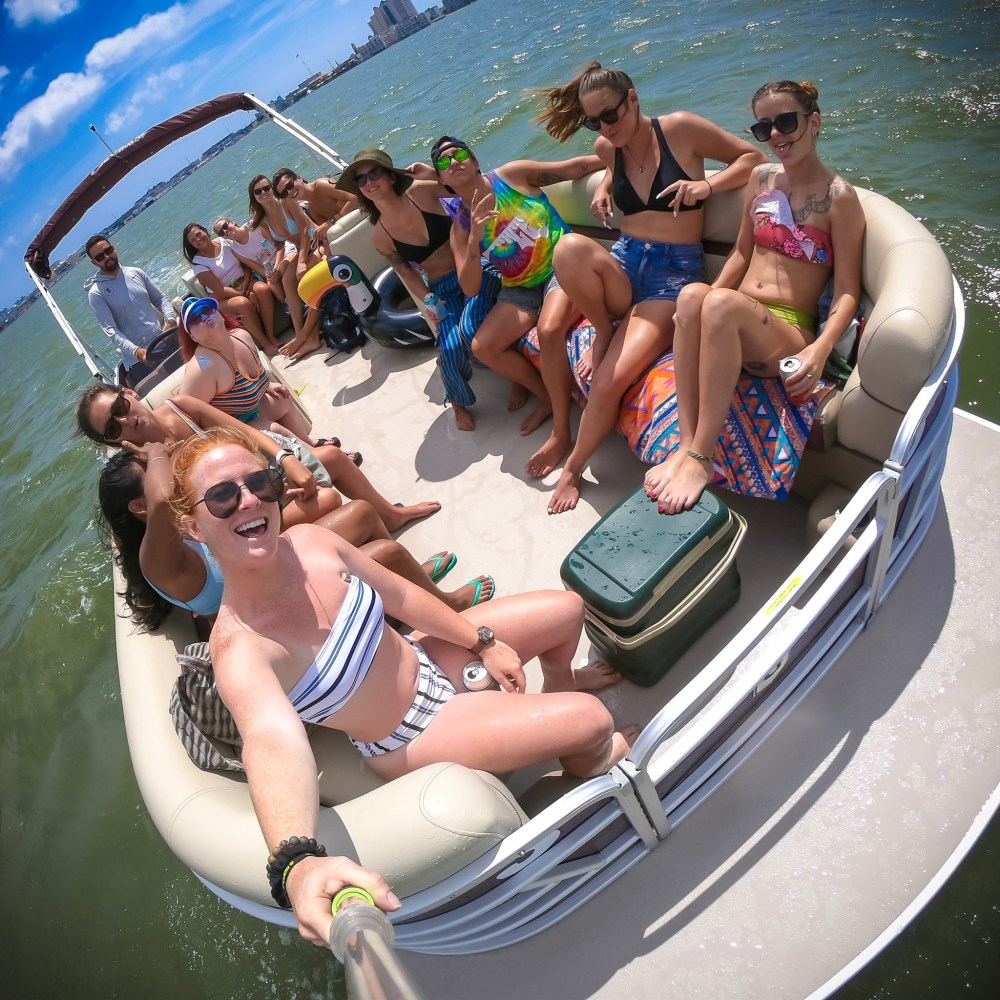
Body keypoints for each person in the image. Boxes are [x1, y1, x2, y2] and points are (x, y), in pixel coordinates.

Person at [167, 426, 637, 938]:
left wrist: (482, 642)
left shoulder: (310, 542)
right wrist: (296, 862)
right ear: (193, 524)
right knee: (593, 722)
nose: (249, 500)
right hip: (415, 730)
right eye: (221, 496)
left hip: (430, 659)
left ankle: (561, 683)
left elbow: (403, 599)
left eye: (259, 480)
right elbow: (270, 741)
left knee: (568, 611)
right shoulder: (241, 648)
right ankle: (586, 764)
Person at [533, 62, 766, 513]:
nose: (605, 127)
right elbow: (616, 160)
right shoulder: (609, 146)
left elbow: (752, 158)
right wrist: (604, 186)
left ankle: (572, 469)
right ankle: (603, 327)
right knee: (569, 250)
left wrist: (706, 186)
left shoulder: (680, 129)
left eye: (611, 115)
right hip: (625, 263)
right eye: (593, 121)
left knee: (607, 383)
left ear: (634, 99)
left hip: (670, 278)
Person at [644, 79, 864, 514]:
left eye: (786, 121)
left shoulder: (839, 198)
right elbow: (743, 252)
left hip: (785, 332)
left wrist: (819, 351)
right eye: (764, 128)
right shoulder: (761, 178)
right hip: (735, 320)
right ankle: (687, 444)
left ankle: (701, 460)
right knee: (692, 295)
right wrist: (704, 304)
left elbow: (848, 292)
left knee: (718, 302)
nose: (777, 135)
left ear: (814, 122)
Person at [96, 442, 488, 633]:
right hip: (270, 610)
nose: (161, 472)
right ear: (139, 507)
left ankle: (400, 592)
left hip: (272, 569)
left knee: (363, 515)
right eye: (150, 473)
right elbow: (165, 496)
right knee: (384, 553)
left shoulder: (182, 525)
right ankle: (447, 605)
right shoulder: (158, 561)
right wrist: (156, 452)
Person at [75, 384, 448, 540]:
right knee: (330, 500)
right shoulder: (149, 470)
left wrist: (286, 460)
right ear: (112, 442)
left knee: (331, 457)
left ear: (129, 393)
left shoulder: (182, 407)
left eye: (121, 407)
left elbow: (247, 433)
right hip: (246, 511)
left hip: (264, 478)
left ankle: (392, 515)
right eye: (112, 427)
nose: (126, 420)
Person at [428, 135, 603, 440]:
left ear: (475, 161)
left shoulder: (511, 176)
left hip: (561, 267)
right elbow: (470, 288)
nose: (453, 162)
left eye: (459, 155)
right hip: (521, 287)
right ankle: (544, 396)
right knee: (483, 346)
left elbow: (573, 167)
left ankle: (562, 430)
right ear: (442, 179)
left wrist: (614, 160)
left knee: (549, 330)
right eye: (444, 162)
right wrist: (473, 239)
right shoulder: (461, 227)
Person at [336, 148, 500, 431]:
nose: (369, 182)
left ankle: (518, 382)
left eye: (374, 173)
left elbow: (463, 187)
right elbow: (406, 272)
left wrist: (431, 170)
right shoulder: (380, 236)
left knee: (476, 329)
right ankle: (458, 402)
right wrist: (430, 302)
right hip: (443, 287)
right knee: (449, 348)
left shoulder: (422, 192)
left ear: (389, 175)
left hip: (474, 265)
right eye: (361, 180)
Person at [177, 296, 316, 442]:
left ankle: (309, 444)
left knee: (282, 398)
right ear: (193, 337)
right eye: (195, 319)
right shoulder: (202, 368)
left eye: (207, 309)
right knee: (274, 429)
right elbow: (186, 420)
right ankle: (316, 457)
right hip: (229, 436)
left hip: (251, 415)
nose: (204, 316)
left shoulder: (242, 336)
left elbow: (245, 383)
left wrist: (266, 386)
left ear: (221, 315)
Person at [84, 235, 178, 388]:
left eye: (108, 250)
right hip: (139, 360)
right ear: (94, 262)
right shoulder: (96, 293)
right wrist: (137, 352)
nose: (107, 257)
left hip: (164, 340)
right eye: (100, 257)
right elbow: (112, 331)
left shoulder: (136, 272)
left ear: (114, 248)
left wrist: (170, 320)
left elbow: (160, 298)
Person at [247, 174, 323, 360]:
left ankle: (308, 337)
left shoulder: (286, 202)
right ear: (254, 197)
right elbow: (279, 244)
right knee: (287, 280)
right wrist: (280, 263)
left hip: (316, 241)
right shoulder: (263, 221)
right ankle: (299, 334)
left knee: (304, 278)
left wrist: (302, 260)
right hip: (302, 250)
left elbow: (306, 229)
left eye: (266, 188)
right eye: (258, 191)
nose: (264, 192)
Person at [181, 223, 274, 351]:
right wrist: (245, 294)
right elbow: (220, 290)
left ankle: (271, 335)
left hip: (244, 281)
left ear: (205, 232)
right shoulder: (199, 265)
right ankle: (265, 344)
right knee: (242, 303)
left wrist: (245, 286)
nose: (198, 239)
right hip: (222, 297)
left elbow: (245, 263)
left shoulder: (224, 242)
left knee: (263, 290)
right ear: (191, 245)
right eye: (193, 240)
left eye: (198, 234)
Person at [212, 216, 286, 325]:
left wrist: (277, 266)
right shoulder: (236, 250)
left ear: (232, 222)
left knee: (283, 271)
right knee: (273, 284)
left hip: (283, 256)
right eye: (221, 233)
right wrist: (270, 275)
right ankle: (289, 304)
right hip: (270, 269)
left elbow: (279, 245)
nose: (225, 231)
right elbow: (257, 268)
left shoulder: (254, 227)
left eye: (225, 226)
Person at [273, 168, 358, 250]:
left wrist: (330, 222)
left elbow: (355, 198)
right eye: (284, 193)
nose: (289, 192)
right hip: (352, 235)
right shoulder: (311, 210)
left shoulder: (321, 185)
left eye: (289, 185)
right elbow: (324, 233)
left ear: (299, 178)